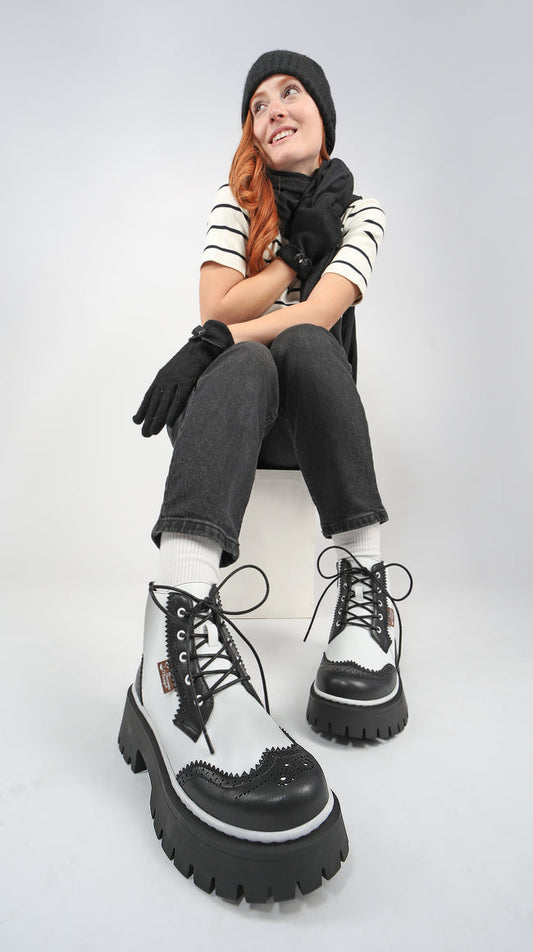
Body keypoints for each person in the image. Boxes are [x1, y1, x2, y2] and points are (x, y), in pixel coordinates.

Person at [118, 50, 412, 903]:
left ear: (323, 114)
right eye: (256, 102)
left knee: (307, 344)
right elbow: (218, 310)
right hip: (231, 416)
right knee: (246, 364)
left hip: (309, 425)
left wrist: (219, 332)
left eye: (290, 92)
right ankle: (173, 632)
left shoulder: (363, 208)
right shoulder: (235, 200)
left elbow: (315, 312)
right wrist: (285, 261)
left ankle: (363, 586)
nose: (272, 108)